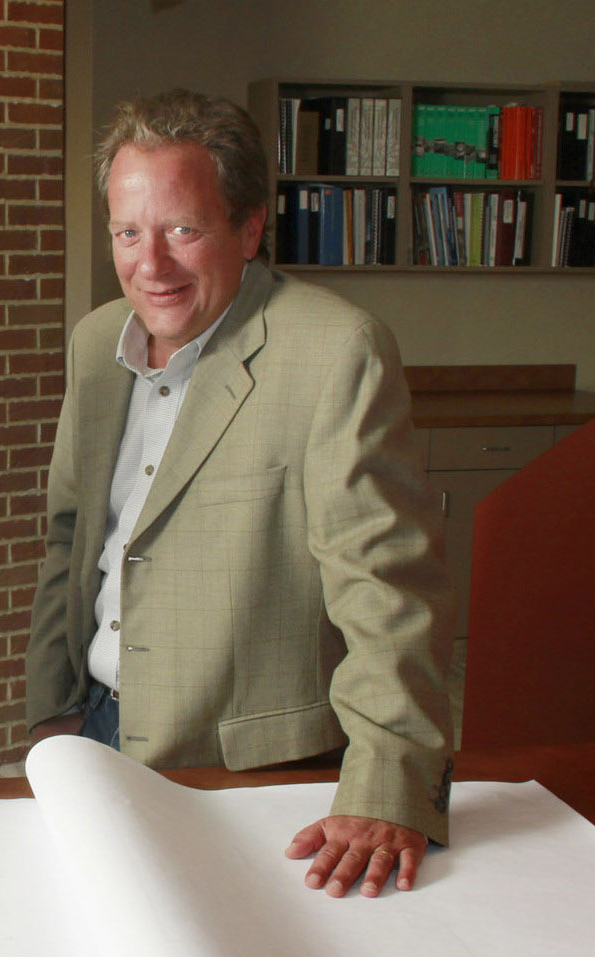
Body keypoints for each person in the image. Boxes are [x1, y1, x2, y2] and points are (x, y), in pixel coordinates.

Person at [25, 90, 455, 899]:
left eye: (182, 230)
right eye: (127, 232)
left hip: (251, 765)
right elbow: (71, 536)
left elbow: (386, 589)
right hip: (94, 728)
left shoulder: (335, 349)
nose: (149, 264)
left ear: (249, 228)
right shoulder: (94, 342)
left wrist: (383, 788)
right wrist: (53, 712)